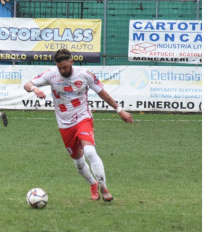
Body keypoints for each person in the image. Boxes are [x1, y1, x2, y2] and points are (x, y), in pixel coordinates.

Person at [23, 48, 134, 202]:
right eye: (60, 67)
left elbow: (103, 93)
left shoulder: (84, 74)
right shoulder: (51, 74)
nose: (62, 70)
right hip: (64, 124)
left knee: (89, 151)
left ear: (71, 62)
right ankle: (93, 184)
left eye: (65, 67)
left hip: (83, 118)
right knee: (79, 164)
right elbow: (27, 84)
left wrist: (119, 110)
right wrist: (35, 89)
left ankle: (104, 187)